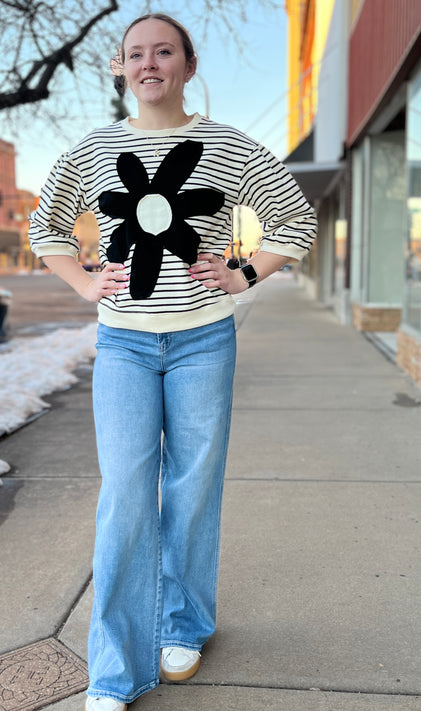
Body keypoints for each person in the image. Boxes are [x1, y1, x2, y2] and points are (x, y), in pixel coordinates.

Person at [29, 13, 317, 710]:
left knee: (190, 492)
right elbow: (46, 226)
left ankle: (184, 623)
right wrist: (83, 281)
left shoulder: (225, 145)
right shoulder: (97, 148)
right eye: (135, 54)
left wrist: (243, 273)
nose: (148, 62)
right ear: (120, 68)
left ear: (188, 65)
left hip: (202, 341)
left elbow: (295, 220)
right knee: (126, 494)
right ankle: (113, 670)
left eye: (164, 51)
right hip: (124, 343)